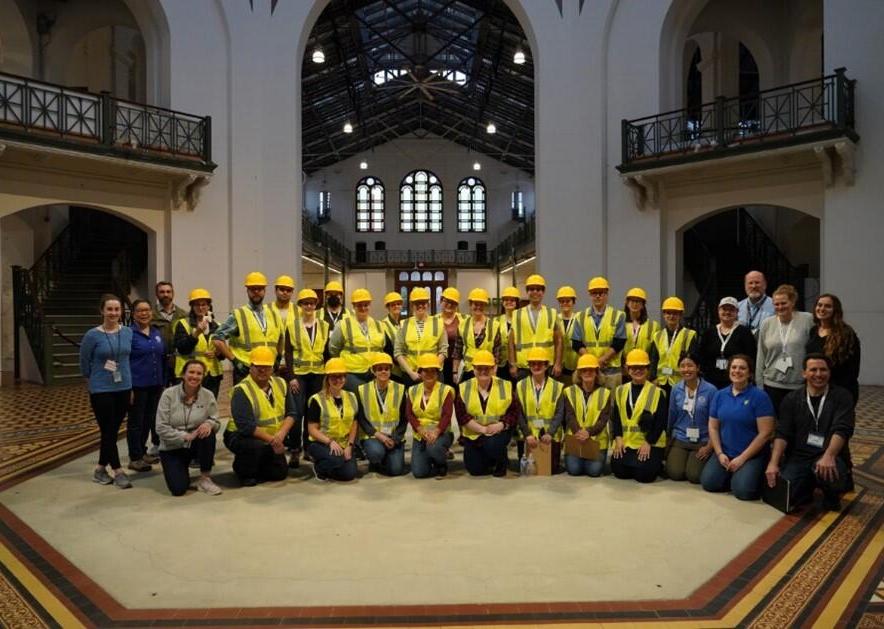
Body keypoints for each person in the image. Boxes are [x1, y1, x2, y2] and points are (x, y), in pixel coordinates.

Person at [765, 354, 855, 511]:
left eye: (823, 370)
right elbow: (782, 433)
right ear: (804, 373)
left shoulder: (842, 396)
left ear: (829, 372)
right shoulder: (791, 399)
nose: (818, 374)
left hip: (828, 455)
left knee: (831, 475)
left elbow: (842, 429)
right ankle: (806, 487)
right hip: (799, 457)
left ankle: (831, 495)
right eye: (813, 370)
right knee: (785, 495)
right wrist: (773, 463)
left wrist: (829, 456)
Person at [78, 294, 134, 489]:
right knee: (108, 429)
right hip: (101, 388)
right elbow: (84, 362)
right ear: (101, 311)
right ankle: (118, 470)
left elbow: (128, 359)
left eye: (117, 309)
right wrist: (91, 384)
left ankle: (100, 469)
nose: (113, 313)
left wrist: (131, 386)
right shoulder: (92, 335)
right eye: (109, 309)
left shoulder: (127, 332)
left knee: (111, 431)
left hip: (124, 387)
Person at [702, 354, 775, 500]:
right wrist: (719, 453)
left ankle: (744, 475)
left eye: (742, 368)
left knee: (743, 491)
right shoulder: (720, 395)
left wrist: (742, 458)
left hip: (750, 455)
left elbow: (765, 433)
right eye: (734, 367)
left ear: (750, 373)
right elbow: (713, 427)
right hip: (726, 452)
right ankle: (734, 475)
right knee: (709, 483)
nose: (737, 371)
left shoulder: (760, 397)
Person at [223, 346, 296, 486]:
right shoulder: (242, 390)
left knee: (279, 474)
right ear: (251, 367)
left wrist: (281, 435)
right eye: (258, 367)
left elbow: (292, 413)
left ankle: (260, 461)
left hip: (273, 437)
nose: (263, 370)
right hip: (241, 436)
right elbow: (246, 427)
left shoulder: (281, 384)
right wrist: (274, 441)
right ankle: (243, 470)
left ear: (273, 368)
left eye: (267, 367)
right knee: (254, 447)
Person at [155, 359, 222, 496]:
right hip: (172, 446)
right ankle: (179, 468)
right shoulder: (168, 394)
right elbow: (161, 428)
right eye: (191, 372)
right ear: (183, 374)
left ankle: (205, 478)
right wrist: (184, 436)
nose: (195, 376)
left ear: (203, 376)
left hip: (196, 443)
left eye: (199, 373)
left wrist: (208, 423)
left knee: (208, 434)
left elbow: (215, 419)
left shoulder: (208, 395)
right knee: (178, 489)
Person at [455, 350, 520, 477]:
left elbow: (514, 412)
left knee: (492, 445)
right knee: (476, 470)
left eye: (487, 368)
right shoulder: (464, 387)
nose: (483, 371)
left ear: (494, 368)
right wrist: (482, 429)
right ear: (473, 369)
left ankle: (501, 460)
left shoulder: (505, 386)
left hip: (498, 432)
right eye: (479, 368)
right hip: (475, 434)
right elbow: (462, 415)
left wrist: (501, 425)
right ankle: (489, 458)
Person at [213, 272, 284, 385]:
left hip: (268, 369)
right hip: (245, 370)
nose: (256, 292)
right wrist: (234, 361)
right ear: (247, 291)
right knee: (244, 402)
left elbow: (281, 337)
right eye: (252, 289)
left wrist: (278, 357)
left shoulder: (274, 314)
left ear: (264, 291)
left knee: (266, 401)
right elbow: (217, 338)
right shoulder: (238, 315)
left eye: (259, 289)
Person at [285, 289, 330, 465]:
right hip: (299, 376)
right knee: (296, 413)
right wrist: (291, 377)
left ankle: (309, 449)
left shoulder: (324, 326)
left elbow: (327, 352)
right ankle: (295, 449)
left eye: (312, 303)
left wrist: (328, 375)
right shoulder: (292, 325)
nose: (309, 306)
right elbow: (288, 353)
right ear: (301, 306)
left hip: (318, 375)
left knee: (312, 413)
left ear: (316, 305)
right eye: (306, 303)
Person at [610, 349, 667, 483]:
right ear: (628, 369)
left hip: (648, 442)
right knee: (619, 471)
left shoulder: (657, 393)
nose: (638, 371)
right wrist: (618, 439)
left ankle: (656, 463)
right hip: (627, 442)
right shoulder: (620, 390)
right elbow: (617, 418)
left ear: (647, 369)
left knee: (644, 476)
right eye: (634, 368)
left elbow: (660, 423)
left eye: (642, 367)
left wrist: (648, 442)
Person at [756, 284, 814, 413]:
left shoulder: (807, 320)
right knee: (775, 426)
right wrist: (759, 386)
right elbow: (761, 355)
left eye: (784, 303)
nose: (780, 307)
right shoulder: (767, 323)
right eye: (776, 304)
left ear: (793, 302)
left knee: (797, 425)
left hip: (798, 385)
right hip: (772, 385)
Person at [126, 299, 165, 472]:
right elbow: (123, 360)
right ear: (134, 314)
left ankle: (142, 452)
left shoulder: (156, 332)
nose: (144, 313)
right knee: (136, 422)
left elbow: (161, 357)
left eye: (147, 310)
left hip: (155, 384)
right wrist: (129, 387)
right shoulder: (128, 334)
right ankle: (134, 457)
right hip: (137, 386)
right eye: (140, 311)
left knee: (149, 420)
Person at [666, 354, 717, 483]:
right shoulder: (676, 389)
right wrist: (668, 440)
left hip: (702, 440)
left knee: (694, 476)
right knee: (675, 473)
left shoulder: (711, 390)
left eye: (690, 366)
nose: (686, 369)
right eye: (682, 366)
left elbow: (716, 421)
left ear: (698, 368)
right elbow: (671, 415)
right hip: (681, 437)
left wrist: (710, 446)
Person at [306, 358, 359, 481]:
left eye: (341, 377)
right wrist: (330, 442)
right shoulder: (317, 399)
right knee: (337, 460)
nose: (338, 380)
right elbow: (312, 429)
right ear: (327, 379)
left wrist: (350, 446)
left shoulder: (351, 397)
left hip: (344, 443)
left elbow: (354, 424)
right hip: (321, 443)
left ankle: (333, 465)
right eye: (334, 377)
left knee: (349, 474)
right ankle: (319, 467)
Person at [515, 347, 565, 474]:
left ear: (546, 365)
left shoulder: (557, 386)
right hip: (528, 436)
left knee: (550, 469)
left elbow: (560, 413)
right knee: (529, 469)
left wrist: (550, 433)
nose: (536, 366)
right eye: (532, 363)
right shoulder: (520, 385)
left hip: (549, 436)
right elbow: (518, 413)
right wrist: (527, 434)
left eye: (539, 363)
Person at [356, 353, 408, 476]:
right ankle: (376, 460)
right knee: (375, 453)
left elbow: (404, 419)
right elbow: (361, 418)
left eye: (386, 369)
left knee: (396, 470)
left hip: (393, 437)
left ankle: (385, 458)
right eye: (379, 369)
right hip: (373, 437)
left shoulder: (400, 389)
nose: (383, 372)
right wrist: (379, 436)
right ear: (373, 371)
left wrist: (395, 439)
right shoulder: (362, 390)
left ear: (391, 370)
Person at [406, 354, 455, 478]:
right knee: (419, 473)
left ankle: (441, 463)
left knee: (433, 447)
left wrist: (436, 432)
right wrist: (420, 429)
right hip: (420, 434)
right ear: (420, 373)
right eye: (425, 371)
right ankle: (431, 457)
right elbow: (409, 414)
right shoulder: (412, 390)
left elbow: (447, 415)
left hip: (441, 433)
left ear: (437, 373)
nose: (429, 374)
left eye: (433, 371)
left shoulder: (445, 390)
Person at [805, 294, 861, 404]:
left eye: (827, 306)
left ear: (835, 310)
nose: (822, 309)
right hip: (816, 389)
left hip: (839, 391)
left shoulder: (846, 333)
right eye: (819, 305)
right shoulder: (813, 331)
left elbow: (852, 369)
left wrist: (838, 392)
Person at [573, 277, 626, 390]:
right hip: (589, 371)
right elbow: (576, 343)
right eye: (594, 293)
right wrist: (591, 362)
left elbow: (619, 342)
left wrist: (602, 360)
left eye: (601, 293)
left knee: (611, 405)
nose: (597, 296)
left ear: (607, 294)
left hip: (611, 371)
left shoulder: (618, 315)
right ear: (590, 295)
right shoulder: (580, 317)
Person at [329, 288, 387, 391]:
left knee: (371, 403)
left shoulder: (379, 325)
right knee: (356, 402)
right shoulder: (343, 325)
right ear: (354, 306)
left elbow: (382, 347)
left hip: (374, 373)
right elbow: (333, 349)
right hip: (352, 373)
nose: (363, 308)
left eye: (366, 305)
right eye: (359, 305)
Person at [562, 354, 611, 477]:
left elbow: (603, 419)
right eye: (584, 370)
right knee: (574, 470)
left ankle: (587, 459)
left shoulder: (605, 393)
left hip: (596, 440)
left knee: (594, 471)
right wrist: (579, 432)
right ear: (579, 373)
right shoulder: (569, 391)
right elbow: (569, 416)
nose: (587, 373)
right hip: (576, 437)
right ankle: (581, 459)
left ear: (596, 372)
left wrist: (588, 432)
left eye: (591, 370)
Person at [508, 274, 563, 381]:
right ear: (527, 292)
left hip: (546, 365)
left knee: (547, 396)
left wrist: (558, 364)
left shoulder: (552, 313)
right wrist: (512, 364)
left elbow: (559, 341)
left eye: (538, 289)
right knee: (525, 396)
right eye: (531, 289)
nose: (535, 292)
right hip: (524, 366)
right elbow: (511, 342)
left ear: (543, 292)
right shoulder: (517, 314)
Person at [696, 297, 757, 389]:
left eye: (731, 310)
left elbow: (751, 356)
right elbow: (701, 355)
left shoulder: (745, 333)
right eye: (724, 309)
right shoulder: (709, 332)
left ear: (737, 312)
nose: (727, 312)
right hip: (711, 381)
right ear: (718, 310)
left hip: (736, 381)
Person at [173, 288, 223, 399]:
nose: (200, 308)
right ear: (192, 307)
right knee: (190, 407)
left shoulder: (217, 326)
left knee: (209, 407)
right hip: (191, 374)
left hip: (212, 375)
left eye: (204, 304)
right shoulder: (183, 324)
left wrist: (217, 353)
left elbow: (222, 354)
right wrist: (196, 333)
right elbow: (182, 348)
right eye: (197, 305)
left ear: (209, 306)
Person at [395, 287, 448, 385]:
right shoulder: (403, 324)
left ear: (428, 304)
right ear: (411, 305)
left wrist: (432, 369)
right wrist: (410, 373)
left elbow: (443, 350)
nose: (420, 306)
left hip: (434, 374)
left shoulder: (438, 323)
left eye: (423, 302)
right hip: (412, 375)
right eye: (416, 303)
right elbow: (398, 352)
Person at [649, 296, 697, 397]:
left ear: (680, 315)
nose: (671, 316)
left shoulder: (689, 335)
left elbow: (693, 361)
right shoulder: (657, 335)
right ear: (664, 314)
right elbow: (654, 359)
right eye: (668, 313)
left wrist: (689, 380)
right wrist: (653, 379)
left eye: (675, 313)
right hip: (660, 382)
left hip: (681, 383)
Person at [454, 288, 503, 383]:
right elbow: (457, 351)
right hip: (468, 370)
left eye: (481, 304)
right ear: (470, 305)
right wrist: (455, 372)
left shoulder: (494, 325)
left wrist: (494, 372)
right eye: (476, 304)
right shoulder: (462, 325)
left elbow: (497, 354)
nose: (478, 307)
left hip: (487, 371)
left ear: (485, 305)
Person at [151, 280, 187, 385]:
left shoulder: (184, 315)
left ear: (173, 293)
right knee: (159, 394)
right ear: (157, 294)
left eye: (168, 291)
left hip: (178, 361)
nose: (165, 294)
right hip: (158, 361)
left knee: (179, 393)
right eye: (162, 292)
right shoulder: (150, 315)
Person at [621, 287, 659, 381]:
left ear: (643, 305)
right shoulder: (620, 324)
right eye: (632, 301)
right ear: (627, 303)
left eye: (638, 301)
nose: (635, 304)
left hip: (644, 371)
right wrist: (622, 366)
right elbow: (617, 347)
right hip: (625, 371)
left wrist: (650, 371)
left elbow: (654, 352)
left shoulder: (653, 325)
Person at [270, 274, 298, 383]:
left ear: (292, 292)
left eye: (288, 290)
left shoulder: (299, 311)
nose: (285, 292)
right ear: (275, 290)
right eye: (282, 289)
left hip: (292, 363)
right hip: (271, 362)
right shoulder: (265, 310)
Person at [738, 271, 775, 335]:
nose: (754, 286)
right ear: (745, 286)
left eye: (757, 282)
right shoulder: (738, 307)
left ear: (765, 285)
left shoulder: (776, 306)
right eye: (750, 283)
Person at [496, 286, 520, 380]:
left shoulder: (521, 320)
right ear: (502, 302)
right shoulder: (496, 321)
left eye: (512, 300)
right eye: (506, 299)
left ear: (517, 302)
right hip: (501, 364)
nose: (509, 302)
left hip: (518, 362)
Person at [556, 286, 580, 383]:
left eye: (568, 301)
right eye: (562, 301)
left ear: (573, 302)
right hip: (559, 366)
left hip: (576, 366)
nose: (565, 303)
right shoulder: (555, 319)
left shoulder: (579, 319)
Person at [439, 287, 462, 385]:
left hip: (458, 364)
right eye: (446, 301)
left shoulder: (463, 319)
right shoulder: (433, 320)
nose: (449, 304)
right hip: (439, 363)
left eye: (453, 302)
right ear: (441, 301)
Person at [381, 292, 405, 382]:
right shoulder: (383, 325)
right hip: (394, 370)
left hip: (407, 367)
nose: (396, 306)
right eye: (393, 305)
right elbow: (387, 349)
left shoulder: (405, 322)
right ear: (388, 307)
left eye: (398, 304)